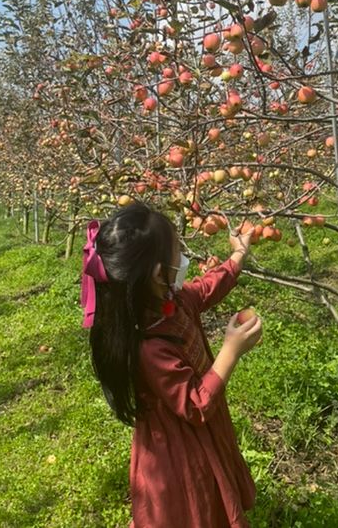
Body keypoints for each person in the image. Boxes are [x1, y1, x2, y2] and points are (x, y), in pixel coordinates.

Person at [81, 202, 262, 528]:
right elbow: (195, 404)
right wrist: (230, 351)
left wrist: (237, 256)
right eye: (178, 250)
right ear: (157, 273)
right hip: (179, 452)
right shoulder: (149, 347)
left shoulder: (170, 302)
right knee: (193, 509)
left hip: (199, 436)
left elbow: (205, 289)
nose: (184, 257)